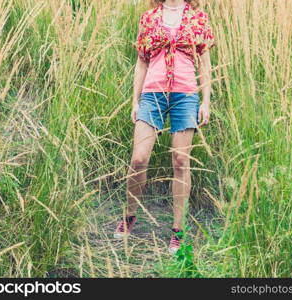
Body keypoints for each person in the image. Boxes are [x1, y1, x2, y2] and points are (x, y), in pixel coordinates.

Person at [114, 0, 215, 255]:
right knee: (138, 159)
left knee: (181, 161)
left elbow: (204, 64)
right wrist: (135, 100)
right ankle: (129, 214)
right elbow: (141, 62)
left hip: (186, 95)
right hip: (152, 94)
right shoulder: (148, 18)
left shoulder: (198, 18)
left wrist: (206, 101)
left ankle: (177, 231)